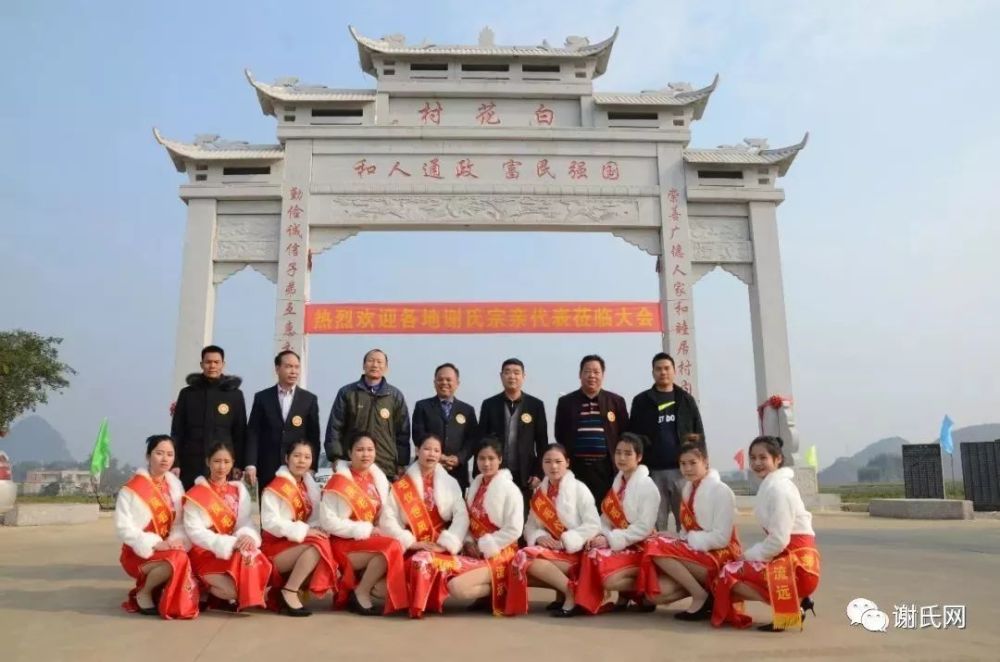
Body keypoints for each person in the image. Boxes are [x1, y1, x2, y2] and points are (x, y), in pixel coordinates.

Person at [712, 435, 821, 631]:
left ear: (777, 459)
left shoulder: (779, 490)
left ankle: (793, 606)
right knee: (734, 568)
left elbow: (779, 540)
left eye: (763, 458)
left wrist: (747, 556)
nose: (757, 463)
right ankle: (798, 602)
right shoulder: (772, 486)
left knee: (728, 572)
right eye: (753, 458)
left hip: (798, 567)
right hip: (791, 560)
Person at [408, 439, 524, 617]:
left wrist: (485, 545)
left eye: (491, 458)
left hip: (500, 552)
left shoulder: (510, 489)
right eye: (481, 458)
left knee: (457, 588)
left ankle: (503, 585)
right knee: (440, 568)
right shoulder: (475, 486)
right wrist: (469, 541)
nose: (486, 463)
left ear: (500, 459)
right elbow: (469, 520)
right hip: (474, 550)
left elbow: (515, 529)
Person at [639, 435, 741, 620]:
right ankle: (708, 592)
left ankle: (700, 596)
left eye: (693, 463)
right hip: (697, 551)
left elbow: (721, 538)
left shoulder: (721, 491)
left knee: (655, 546)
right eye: (683, 464)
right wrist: (679, 538)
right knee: (656, 594)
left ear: (705, 462)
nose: (687, 469)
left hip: (721, 553)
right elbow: (686, 531)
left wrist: (689, 540)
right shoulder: (687, 489)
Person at [506, 444, 601, 617]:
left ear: (568, 463)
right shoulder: (540, 494)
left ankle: (571, 592)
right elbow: (530, 527)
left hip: (575, 552)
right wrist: (539, 536)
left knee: (524, 557)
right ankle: (564, 591)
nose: (553, 466)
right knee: (519, 565)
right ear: (542, 465)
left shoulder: (580, 489)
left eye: (558, 461)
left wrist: (565, 541)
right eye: (548, 462)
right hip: (551, 551)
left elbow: (593, 524)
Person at [380, 433, 468, 618]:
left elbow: (461, 517)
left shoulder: (451, 483)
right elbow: (388, 518)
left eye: (436, 450)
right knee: (415, 562)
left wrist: (447, 542)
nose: (432, 454)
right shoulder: (402, 485)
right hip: (412, 543)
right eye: (427, 449)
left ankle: (423, 603)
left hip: (439, 544)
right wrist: (411, 542)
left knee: (425, 562)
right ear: (417, 450)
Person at [320, 431, 408, 616]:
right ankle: (361, 592)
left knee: (391, 548)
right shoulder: (338, 481)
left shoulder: (379, 479)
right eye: (360, 450)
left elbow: (386, 513)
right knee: (392, 547)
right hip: (343, 542)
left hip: (370, 539)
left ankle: (362, 590)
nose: (365, 454)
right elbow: (328, 522)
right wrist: (364, 529)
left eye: (370, 449)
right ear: (349, 452)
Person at [574, 433, 660, 614]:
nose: (621, 458)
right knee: (590, 551)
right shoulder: (617, 483)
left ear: (639, 457)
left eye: (628, 453)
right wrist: (600, 535)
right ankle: (587, 602)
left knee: (607, 579)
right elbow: (605, 518)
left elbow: (644, 528)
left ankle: (635, 592)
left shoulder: (648, 486)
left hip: (639, 546)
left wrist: (610, 538)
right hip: (619, 542)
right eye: (618, 452)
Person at [115, 435, 199, 619]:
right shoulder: (131, 489)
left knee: (188, 554)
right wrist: (153, 543)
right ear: (148, 456)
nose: (165, 458)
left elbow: (179, 522)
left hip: (168, 547)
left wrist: (176, 540)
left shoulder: (175, 486)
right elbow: (123, 528)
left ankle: (165, 593)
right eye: (159, 453)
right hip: (137, 552)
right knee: (177, 560)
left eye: (170, 454)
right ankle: (144, 592)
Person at [183, 442, 272, 612]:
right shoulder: (196, 494)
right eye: (217, 461)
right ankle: (202, 587)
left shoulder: (238, 490)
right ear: (208, 462)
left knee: (250, 553)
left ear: (232, 463)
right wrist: (228, 543)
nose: (221, 467)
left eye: (226, 461)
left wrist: (247, 535)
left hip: (231, 551)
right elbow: (195, 532)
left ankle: (214, 594)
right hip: (205, 552)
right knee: (237, 592)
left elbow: (245, 521)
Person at [260, 440, 338, 617]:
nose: (301, 461)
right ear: (287, 458)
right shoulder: (276, 487)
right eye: (296, 456)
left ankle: (291, 590)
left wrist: (317, 529)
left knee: (323, 542)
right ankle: (290, 590)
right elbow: (269, 522)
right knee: (318, 545)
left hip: (295, 545)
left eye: (307, 457)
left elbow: (315, 518)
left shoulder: (308, 486)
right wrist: (305, 531)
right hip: (274, 548)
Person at [628, 352, 704, 532]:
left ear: (674, 371)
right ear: (653, 372)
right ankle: (656, 556)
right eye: (658, 369)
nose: (663, 372)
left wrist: (702, 463)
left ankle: (686, 554)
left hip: (682, 471)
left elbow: (698, 432)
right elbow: (634, 436)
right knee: (654, 521)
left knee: (686, 520)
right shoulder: (641, 401)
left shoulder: (686, 399)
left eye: (667, 368)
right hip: (653, 472)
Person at [325, 349, 411, 479]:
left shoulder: (395, 396)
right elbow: (335, 426)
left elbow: (403, 433)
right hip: (352, 464)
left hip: (385, 465)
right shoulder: (347, 393)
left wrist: (401, 463)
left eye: (379, 362)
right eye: (371, 361)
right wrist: (335, 457)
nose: (375, 365)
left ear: (386, 368)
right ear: (364, 365)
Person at [554, 354, 630, 501]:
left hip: (606, 469)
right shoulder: (566, 402)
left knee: (607, 512)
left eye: (596, 372)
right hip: (577, 469)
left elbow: (624, 434)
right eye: (587, 371)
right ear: (580, 374)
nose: (592, 376)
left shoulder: (616, 401)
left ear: (603, 375)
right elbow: (560, 434)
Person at [171, 345, 247, 489]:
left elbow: (240, 433)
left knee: (220, 506)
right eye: (208, 362)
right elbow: (177, 431)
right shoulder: (188, 394)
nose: (212, 366)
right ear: (202, 364)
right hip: (192, 461)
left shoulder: (235, 395)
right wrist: (176, 463)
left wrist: (239, 464)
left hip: (223, 463)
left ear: (223, 364)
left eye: (216, 362)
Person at [245, 350, 321, 491]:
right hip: (268, 466)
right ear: (277, 369)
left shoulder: (309, 399)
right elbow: (253, 433)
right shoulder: (262, 397)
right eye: (288, 366)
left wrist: (312, 467)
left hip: (298, 469)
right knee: (269, 510)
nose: (293, 371)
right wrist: (251, 464)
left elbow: (313, 437)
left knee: (296, 510)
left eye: (296, 367)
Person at [478, 358, 548, 500]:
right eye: (507, 372)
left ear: (523, 376)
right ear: (501, 376)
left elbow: (542, 443)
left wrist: (539, 473)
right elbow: (480, 441)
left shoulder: (536, 405)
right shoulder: (489, 404)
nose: (512, 376)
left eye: (516, 373)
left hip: (525, 475)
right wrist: (478, 474)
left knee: (522, 516)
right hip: (495, 472)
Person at [411, 363, 479, 492]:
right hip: (427, 467)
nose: (444, 383)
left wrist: (459, 458)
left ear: (457, 383)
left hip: (457, 472)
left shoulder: (467, 410)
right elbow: (418, 434)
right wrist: (438, 456)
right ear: (434, 382)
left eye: (449, 380)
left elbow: (472, 440)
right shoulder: (422, 406)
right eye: (440, 379)